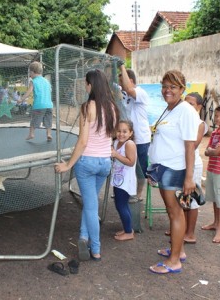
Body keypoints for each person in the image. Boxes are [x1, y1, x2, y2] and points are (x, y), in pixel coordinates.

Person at [54, 69, 118, 261]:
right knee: (90, 203)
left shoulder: (86, 107)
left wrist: (67, 165)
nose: (85, 86)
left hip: (87, 163)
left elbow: (82, 142)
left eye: (86, 83)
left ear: (92, 85)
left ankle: (96, 249)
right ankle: (83, 236)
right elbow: (111, 135)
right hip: (105, 163)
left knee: (90, 207)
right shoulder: (113, 107)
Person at [147, 70, 200, 274]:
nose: (167, 90)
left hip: (174, 169)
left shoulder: (186, 110)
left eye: (173, 87)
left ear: (182, 89)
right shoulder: (170, 108)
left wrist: (189, 178)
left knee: (175, 212)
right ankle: (179, 251)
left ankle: (174, 261)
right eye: (165, 86)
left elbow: (190, 146)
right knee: (173, 212)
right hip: (163, 168)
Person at [165, 92, 208, 243]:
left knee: (192, 200)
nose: (187, 106)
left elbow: (192, 145)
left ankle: (190, 233)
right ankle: (180, 229)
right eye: (186, 102)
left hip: (193, 165)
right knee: (181, 198)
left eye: (192, 104)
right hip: (180, 164)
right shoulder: (181, 118)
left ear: (199, 107)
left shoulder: (199, 123)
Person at [118, 64, 151, 202]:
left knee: (140, 168)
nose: (121, 85)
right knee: (124, 165)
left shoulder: (140, 92)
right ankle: (124, 190)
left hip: (141, 139)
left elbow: (129, 89)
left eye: (122, 81)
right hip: (127, 137)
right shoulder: (123, 93)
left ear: (130, 80)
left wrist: (122, 67)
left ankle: (138, 194)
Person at [111, 120, 137, 241]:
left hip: (126, 180)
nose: (121, 134)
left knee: (121, 204)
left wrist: (116, 155)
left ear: (131, 133)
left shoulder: (129, 144)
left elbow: (131, 162)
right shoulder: (116, 142)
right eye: (119, 131)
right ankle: (128, 228)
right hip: (118, 179)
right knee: (121, 204)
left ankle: (128, 232)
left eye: (125, 131)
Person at [17, 61, 53, 141]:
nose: (30, 75)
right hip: (49, 105)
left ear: (33, 72)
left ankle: (31, 134)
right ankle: (49, 134)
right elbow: (50, 90)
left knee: (34, 120)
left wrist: (21, 99)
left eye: (30, 72)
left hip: (39, 105)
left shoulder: (33, 81)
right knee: (48, 120)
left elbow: (29, 92)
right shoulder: (46, 81)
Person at [202, 106, 220, 243]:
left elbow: (214, 152)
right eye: (216, 116)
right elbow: (207, 151)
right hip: (211, 168)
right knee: (214, 199)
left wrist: (211, 151)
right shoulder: (215, 133)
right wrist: (211, 151)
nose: (218, 119)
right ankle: (215, 222)